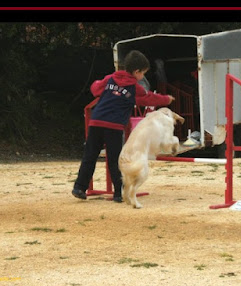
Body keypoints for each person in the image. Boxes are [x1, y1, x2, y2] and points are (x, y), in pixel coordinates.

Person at [72, 50, 175, 202]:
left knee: (90, 156)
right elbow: (148, 98)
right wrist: (166, 99)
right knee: (115, 160)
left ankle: (79, 187)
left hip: (96, 122)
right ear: (136, 71)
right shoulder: (135, 87)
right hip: (114, 126)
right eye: (143, 74)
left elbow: (95, 89)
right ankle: (119, 193)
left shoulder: (110, 78)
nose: (142, 77)